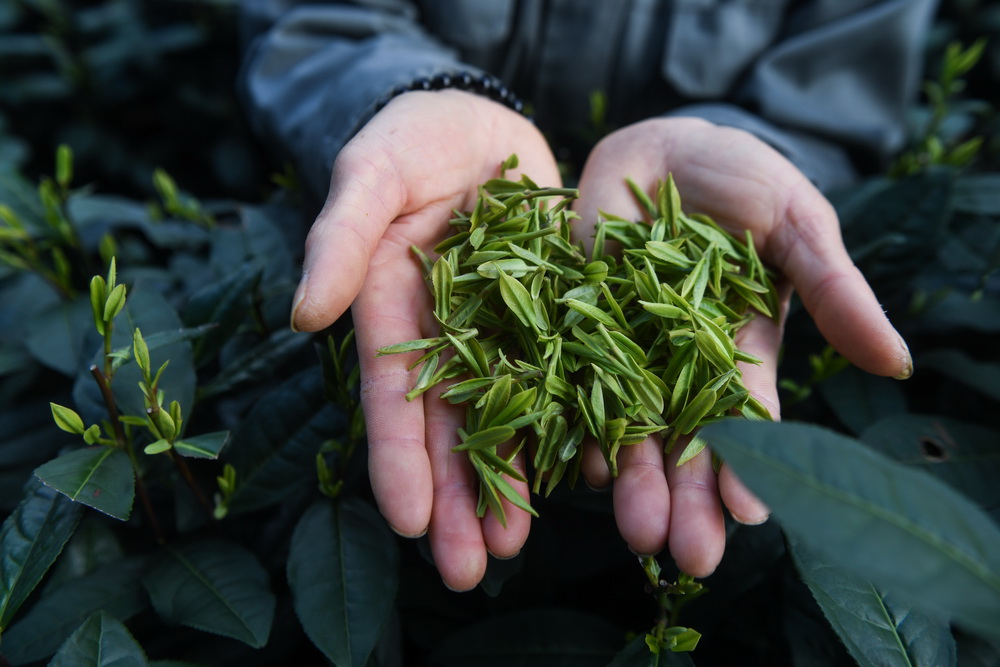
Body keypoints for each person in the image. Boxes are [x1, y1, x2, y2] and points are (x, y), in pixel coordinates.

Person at [238, 0, 933, 592]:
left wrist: (756, 150)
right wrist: (409, 92)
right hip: (413, 277)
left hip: (674, 217)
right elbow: (318, 23)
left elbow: (833, 93)